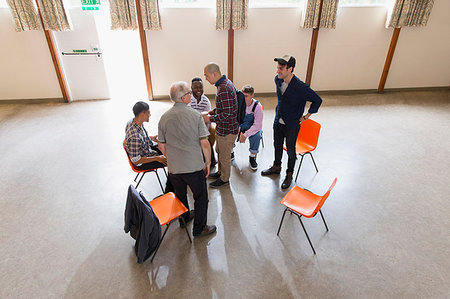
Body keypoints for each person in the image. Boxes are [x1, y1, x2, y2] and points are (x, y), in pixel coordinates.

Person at [158, 81, 216, 237]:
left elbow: (162, 146)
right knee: (201, 197)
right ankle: (199, 229)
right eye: (189, 92)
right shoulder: (195, 116)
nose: (191, 94)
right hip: (193, 167)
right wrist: (208, 162)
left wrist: (172, 159)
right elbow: (205, 143)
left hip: (174, 169)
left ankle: (183, 219)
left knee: (180, 194)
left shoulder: (164, 118)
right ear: (184, 97)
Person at [261, 55, 322, 189]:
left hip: (292, 125)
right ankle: (276, 167)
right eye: (277, 67)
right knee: (277, 145)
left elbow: (317, 100)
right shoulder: (278, 80)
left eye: (281, 68)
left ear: (290, 69)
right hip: (278, 121)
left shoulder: (300, 87)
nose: (278, 71)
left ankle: (289, 174)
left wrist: (307, 116)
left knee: (290, 151)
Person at [203, 62, 239, 187]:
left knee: (224, 156)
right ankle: (220, 172)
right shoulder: (222, 84)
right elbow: (224, 107)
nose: (206, 79)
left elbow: (228, 114)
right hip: (222, 128)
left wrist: (210, 118)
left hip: (228, 130)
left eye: (206, 76)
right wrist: (214, 111)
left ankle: (224, 179)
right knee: (219, 151)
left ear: (214, 74)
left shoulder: (224, 88)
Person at [124, 101, 167, 171]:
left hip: (147, 150)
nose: (150, 115)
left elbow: (140, 138)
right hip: (143, 162)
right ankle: (172, 181)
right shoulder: (134, 137)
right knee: (173, 160)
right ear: (142, 114)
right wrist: (157, 158)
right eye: (148, 113)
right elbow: (136, 160)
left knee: (167, 148)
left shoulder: (134, 122)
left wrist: (150, 138)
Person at [188, 77, 217, 168]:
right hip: (189, 127)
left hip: (202, 127)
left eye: (200, 87)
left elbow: (207, 119)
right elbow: (188, 117)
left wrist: (203, 130)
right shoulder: (188, 99)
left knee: (205, 139)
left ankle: (211, 161)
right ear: (191, 88)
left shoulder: (206, 101)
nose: (198, 89)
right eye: (196, 87)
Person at [238, 84, 263, 170]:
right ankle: (231, 153)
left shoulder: (257, 107)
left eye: (246, 96)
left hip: (253, 126)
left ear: (252, 95)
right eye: (242, 95)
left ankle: (252, 157)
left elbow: (258, 125)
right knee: (230, 131)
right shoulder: (239, 104)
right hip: (241, 125)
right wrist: (240, 131)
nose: (243, 98)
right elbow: (235, 119)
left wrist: (245, 135)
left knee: (257, 136)